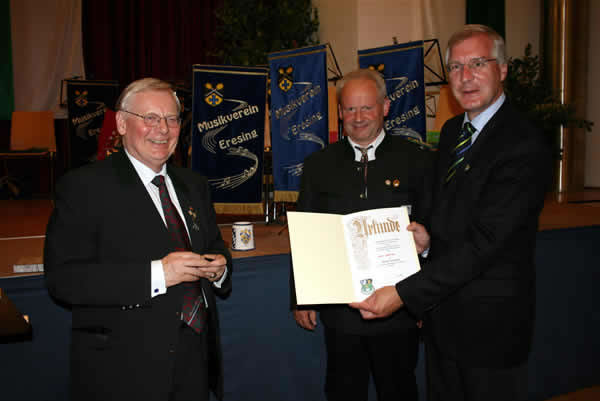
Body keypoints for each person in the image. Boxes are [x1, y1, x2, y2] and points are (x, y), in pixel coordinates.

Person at [350, 25, 552, 401]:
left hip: (490, 330)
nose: (465, 76)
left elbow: (486, 243)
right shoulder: (451, 131)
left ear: (502, 69)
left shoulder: (523, 142)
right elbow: (446, 213)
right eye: (456, 67)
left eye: (478, 63)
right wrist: (426, 241)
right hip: (443, 323)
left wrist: (405, 294)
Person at [44, 78, 232, 401]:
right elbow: (64, 280)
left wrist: (220, 268)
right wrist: (159, 273)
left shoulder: (194, 185)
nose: (164, 129)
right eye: (151, 118)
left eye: (172, 119)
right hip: (123, 368)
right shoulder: (83, 187)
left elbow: (214, 245)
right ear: (121, 123)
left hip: (194, 361)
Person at [291, 68, 432, 401]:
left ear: (385, 107)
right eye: (350, 109)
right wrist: (301, 296)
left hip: (399, 308)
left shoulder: (419, 161)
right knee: (343, 391)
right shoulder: (318, 165)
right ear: (340, 112)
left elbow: (435, 231)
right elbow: (307, 235)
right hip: (341, 312)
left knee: (398, 390)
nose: (358, 117)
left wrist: (424, 299)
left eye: (367, 107)